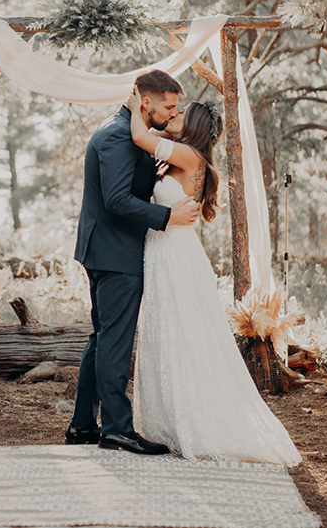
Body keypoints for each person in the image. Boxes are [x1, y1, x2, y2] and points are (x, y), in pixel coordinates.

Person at [126, 88, 301, 465]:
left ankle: (196, 420)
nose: (175, 114)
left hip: (175, 253)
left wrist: (134, 104)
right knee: (166, 332)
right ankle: (170, 420)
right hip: (166, 250)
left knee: (183, 335)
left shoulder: (188, 155)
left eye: (181, 111)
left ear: (195, 126)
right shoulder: (185, 155)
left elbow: (140, 136)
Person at [68, 70, 200, 455]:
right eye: (169, 107)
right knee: (115, 343)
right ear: (146, 103)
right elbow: (116, 201)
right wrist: (166, 217)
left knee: (102, 339)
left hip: (107, 250)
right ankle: (117, 430)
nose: (173, 113)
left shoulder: (127, 129)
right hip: (115, 253)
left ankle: (81, 426)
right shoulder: (116, 136)